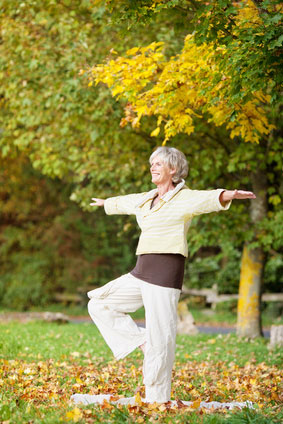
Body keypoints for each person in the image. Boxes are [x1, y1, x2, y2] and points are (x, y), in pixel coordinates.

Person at [88, 146, 256, 404]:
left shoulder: (183, 198)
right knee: (99, 303)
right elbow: (127, 201)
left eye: (158, 164)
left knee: (162, 337)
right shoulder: (148, 198)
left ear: (173, 169)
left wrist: (229, 194)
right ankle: (143, 340)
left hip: (165, 275)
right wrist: (106, 203)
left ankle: (157, 399)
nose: (152, 167)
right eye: (151, 163)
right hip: (141, 270)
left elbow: (206, 198)